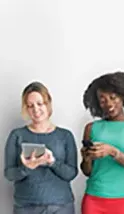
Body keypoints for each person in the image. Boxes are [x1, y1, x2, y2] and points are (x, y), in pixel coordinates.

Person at [3, 82, 78, 214]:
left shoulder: (65, 135)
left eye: (40, 103)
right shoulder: (17, 135)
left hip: (60, 206)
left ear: (48, 103)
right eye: (30, 106)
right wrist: (27, 168)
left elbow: (71, 173)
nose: (35, 109)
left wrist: (52, 163)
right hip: (25, 207)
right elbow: (9, 174)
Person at [80, 71, 124, 214]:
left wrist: (112, 152)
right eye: (102, 100)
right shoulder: (91, 128)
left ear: (123, 96)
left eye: (113, 97)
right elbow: (87, 171)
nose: (108, 104)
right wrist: (86, 159)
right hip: (94, 199)